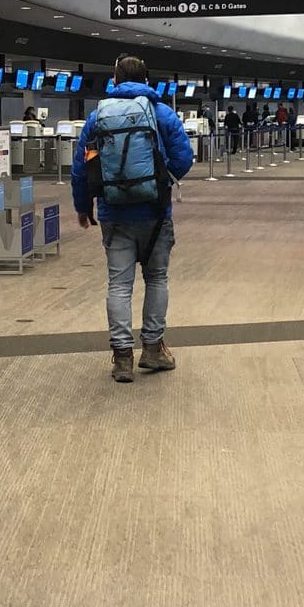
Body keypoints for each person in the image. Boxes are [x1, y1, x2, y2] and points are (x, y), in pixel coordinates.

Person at [72, 55, 194, 383]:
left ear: (115, 79)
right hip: (155, 214)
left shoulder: (98, 116)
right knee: (156, 279)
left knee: (119, 284)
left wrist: (83, 207)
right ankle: (153, 350)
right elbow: (185, 156)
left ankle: (122, 357)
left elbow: (82, 167)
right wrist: (162, 181)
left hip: (114, 214)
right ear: (147, 79)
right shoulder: (161, 113)